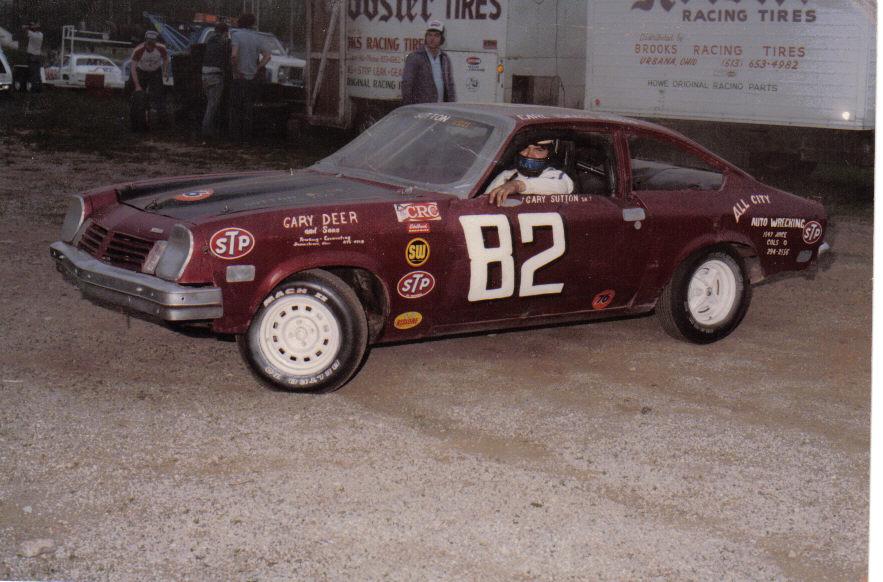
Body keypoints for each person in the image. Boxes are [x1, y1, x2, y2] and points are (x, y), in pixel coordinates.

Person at [486, 138, 574, 206]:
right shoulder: (507, 175)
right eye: (525, 149)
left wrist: (517, 185)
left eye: (538, 150)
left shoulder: (556, 175)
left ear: (549, 153)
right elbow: (485, 202)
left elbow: (560, 187)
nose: (529, 155)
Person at [229, 13, 271, 141]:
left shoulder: (236, 35)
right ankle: (246, 137)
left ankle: (235, 137)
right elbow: (267, 56)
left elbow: (234, 56)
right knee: (248, 108)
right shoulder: (257, 37)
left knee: (236, 107)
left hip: (239, 77)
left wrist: (235, 71)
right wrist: (257, 68)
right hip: (251, 77)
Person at [401, 20, 455, 105]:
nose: (432, 38)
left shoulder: (445, 59)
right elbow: (406, 84)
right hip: (421, 108)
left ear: (441, 39)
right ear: (426, 37)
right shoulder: (415, 57)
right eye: (429, 35)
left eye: (436, 35)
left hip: (442, 108)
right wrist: (409, 107)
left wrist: (451, 106)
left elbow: (450, 86)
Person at [201, 22, 230, 137]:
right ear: (225, 32)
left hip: (204, 75)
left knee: (210, 103)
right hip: (216, 75)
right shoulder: (224, 43)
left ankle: (210, 129)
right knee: (212, 106)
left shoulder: (209, 41)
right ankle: (206, 131)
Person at [131, 30, 170, 116]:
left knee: (159, 92)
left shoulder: (161, 48)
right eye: (148, 44)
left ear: (155, 42)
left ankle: (162, 115)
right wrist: (137, 85)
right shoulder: (138, 50)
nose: (150, 47)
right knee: (139, 93)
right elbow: (133, 68)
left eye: (152, 44)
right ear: (145, 41)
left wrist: (165, 71)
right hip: (142, 71)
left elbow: (165, 59)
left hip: (155, 71)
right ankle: (139, 113)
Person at [22, 21, 43, 93]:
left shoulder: (32, 35)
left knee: (32, 73)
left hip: (32, 56)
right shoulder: (41, 35)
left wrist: (28, 26)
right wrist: (32, 26)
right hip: (38, 56)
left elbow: (24, 29)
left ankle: (33, 89)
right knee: (37, 73)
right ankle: (39, 88)